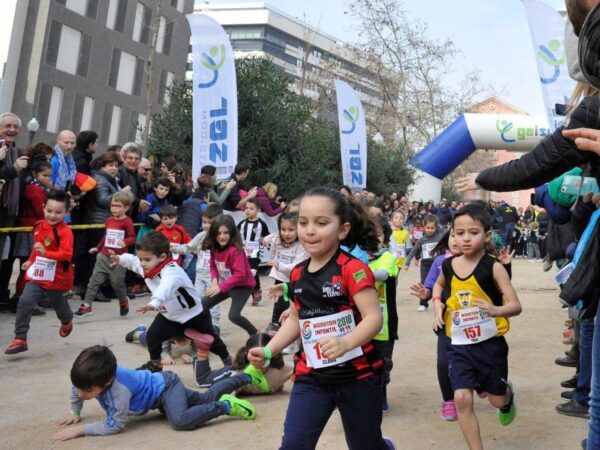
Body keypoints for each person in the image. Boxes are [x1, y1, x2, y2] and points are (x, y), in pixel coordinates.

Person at [247, 187, 395, 450]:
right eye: (303, 223)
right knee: (294, 445)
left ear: (343, 229)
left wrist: (346, 343)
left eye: (321, 223)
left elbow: (374, 318)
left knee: (366, 446)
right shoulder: (296, 274)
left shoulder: (353, 269)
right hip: (312, 375)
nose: (310, 230)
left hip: (358, 377)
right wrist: (269, 351)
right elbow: (295, 319)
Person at [432, 204, 522, 450]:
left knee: (496, 399)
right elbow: (438, 286)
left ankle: (506, 397)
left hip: (490, 345)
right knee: (461, 397)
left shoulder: (494, 267)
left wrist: (496, 310)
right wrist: (437, 304)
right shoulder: (449, 266)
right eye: (459, 233)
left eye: (473, 232)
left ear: (487, 234)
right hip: (459, 344)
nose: (465, 238)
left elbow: (515, 305)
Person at [53, 345, 264, 440]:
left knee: (180, 421)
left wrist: (81, 430)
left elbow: (114, 425)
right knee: (204, 398)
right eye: (78, 387)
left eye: (86, 391)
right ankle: (248, 376)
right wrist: (75, 413)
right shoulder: (87, 378)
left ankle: (227, 406)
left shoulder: (119, 391)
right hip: (158, 395)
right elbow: (75, 391)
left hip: (166, 387)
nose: (80, 393)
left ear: (108, 380)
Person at [111, 232, 231, 373]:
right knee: (153, 336)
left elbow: (165, 288)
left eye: (146, 260)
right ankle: (156, 365)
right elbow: (132, 261)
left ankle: (228, 360)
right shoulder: (147, 265)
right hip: (170, 316)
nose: (142, 263)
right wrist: (119, 258)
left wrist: (154, 303)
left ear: (162, 257)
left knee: (212, 340)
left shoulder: (172, 272)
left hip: (194, 314)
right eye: (141, 259)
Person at [5, 190, 74, 354]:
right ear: (43, 208)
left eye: (58, 212)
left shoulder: (65, 232)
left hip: (57, 278)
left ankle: (67, 321)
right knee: (24, 301)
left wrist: (45, 253)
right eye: (49, 211)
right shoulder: (37, 226)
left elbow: (66, 255)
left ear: (66, 212)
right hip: (38, 275)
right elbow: (37, 247)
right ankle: (20, 338)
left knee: (59, 306)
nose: (52, 215)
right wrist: (30, 260)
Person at [75, 191, 136, 318]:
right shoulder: (108, 220)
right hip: (103, 256)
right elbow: (106, 237)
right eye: (113, 205)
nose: (114, 208)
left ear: (126, 207)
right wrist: (97, 248)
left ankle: (123, 301)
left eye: (118, 206)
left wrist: (124, 242)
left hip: (118, 259)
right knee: (93, 281)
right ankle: (86, 306)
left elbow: (132, 238)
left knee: (117, 283)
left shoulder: (127, 222)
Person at [74, 151, 122, 299]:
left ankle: (94, 289)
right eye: (110, 165)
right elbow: (103, 200)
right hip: (97, 222)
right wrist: (121, 195)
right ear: (102, 165)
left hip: (102, 222)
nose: (113, 168)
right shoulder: (101, 179)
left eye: (115, 165)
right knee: (96, 259)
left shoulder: (111, 179)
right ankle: (92, 290)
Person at [201, 215, 258, 336]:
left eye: (226, 232)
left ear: (232, 232)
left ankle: (255, 333)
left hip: (243, 286)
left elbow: (240, 275)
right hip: (227, 284)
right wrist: (215, 280)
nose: (222, 236)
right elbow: (213, 266)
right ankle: (208, 331)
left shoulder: (235, 250)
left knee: (234, 316)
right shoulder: (214, 247)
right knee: (202, 304)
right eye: (218, 233)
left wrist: (220, 287)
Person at [171, 203, 224, 333]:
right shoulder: (201, 236)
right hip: (200, 275)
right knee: (198, 300)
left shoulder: (222, 239)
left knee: (214, 301)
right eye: (204, 222)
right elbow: (188, 248)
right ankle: (201, 324)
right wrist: (174, 247)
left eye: (209, 223)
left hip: (214, 278)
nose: (205, 225)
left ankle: (215, 325)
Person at [194, 333, 292, 394]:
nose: (259, 361)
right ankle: (203, 349)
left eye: (263, 356)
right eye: (255, 356)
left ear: (272, 354)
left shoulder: (284, 369)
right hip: (231, 371)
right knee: (202, 380)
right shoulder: (238, 375)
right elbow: (223, 394)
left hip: (240, 366)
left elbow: (303, 366)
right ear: (247, 354)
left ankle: (229, 360)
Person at [368, 217, 399, 413]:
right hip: (358, 322)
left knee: (383, 363)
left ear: (385, 239)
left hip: (383, 324)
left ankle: (381, 391)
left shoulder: (387, 257)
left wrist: (354, 273)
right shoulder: (356, 257)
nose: (371, 238)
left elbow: (381, 275)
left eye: (377, 234)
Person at [12, 161, 53, 303]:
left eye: (49, 176)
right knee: (29, 264)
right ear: (35, 174)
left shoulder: (40, 188)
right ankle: (22, 298)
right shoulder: (34, 189)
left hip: (34, 229)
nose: (48, 178)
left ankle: (25, 298)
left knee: (33, 265)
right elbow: (40, 211)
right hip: (30, 231)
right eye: (44, 175)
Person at [263, 212, 309, 335]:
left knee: (295, 304)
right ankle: (275, 324)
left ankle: (293, 328)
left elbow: (297, 267)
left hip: (295, 280)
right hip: (281, 277)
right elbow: (273, 242)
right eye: (283, 229)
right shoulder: (278, 239)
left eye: (291, 230)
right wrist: (273, 260)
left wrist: (279, 265)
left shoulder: (301, 246)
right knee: (279, 301)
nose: (286, 233)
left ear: (299, 229)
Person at [0, 112, 29, 305]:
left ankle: (2, 295)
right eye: (7, 125)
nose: (11, 130)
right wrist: (13, 168)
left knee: (7, 259)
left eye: (15, 127)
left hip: (12, 214)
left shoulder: (17, 152)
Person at [405, 214, 444, 311]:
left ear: (436, 227)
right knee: (425, 284)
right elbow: (414, 250)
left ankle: (442, 302)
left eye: (432, 228)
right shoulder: (421, 240)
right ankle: (423, 303)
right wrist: (407, 262)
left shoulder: (440, 238)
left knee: (441, 283)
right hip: (425, 265)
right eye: (428, 228)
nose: (430, 230)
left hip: (437, 265)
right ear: (424, 227)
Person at [238, 197, 270, 304]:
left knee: (253, 272)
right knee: (244, 272)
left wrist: (265, 241)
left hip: (256, 252)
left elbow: (268, 238)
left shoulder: (262, 224)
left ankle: (256, 291)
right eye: (246, 208)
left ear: (258, 211)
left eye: (251, 208)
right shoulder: (242, 224)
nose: (247, 210)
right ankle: (251, 291)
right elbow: (235, 235)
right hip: (243, 251)